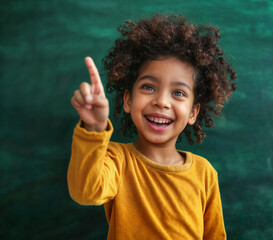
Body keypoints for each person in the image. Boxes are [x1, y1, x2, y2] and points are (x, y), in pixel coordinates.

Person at [67, 14, 236, 239]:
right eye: (148, 87)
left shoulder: (205, 173)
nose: (161, 101)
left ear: (194, 112)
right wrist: (95, 127)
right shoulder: (116, 160)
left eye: (178, 93)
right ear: (128, 100)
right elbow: (85, 192)